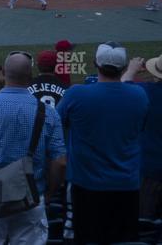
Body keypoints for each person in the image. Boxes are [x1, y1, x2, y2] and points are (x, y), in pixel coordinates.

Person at [0, 52, 66, 245]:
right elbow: (59, 161)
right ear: (30, 76)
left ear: (4, 73)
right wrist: (48, 193)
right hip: (30, 197)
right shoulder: (48, 112)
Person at [57, 43, 148, 245]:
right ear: (124, 68)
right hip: (126, 186)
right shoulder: (139, 95)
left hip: (85, 185)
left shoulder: (77, 94)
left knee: (85, 238)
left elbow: (55, 124)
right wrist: (131, 73)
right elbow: (121, 92)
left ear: (94, 64)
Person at [122, 52, 162, 219]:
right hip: (149, 168)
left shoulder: (145, 92)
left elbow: (122, 88)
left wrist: (131, 70)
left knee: (145, 223)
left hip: (150, 169)